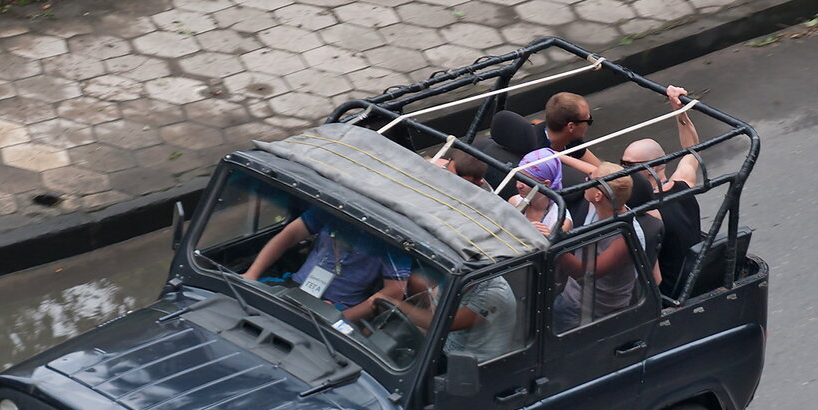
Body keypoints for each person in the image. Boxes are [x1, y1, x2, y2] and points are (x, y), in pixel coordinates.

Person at [241, 206, 410, 322]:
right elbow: (290, 235)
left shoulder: (390, 236)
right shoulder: (333, 209)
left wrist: (341, 318)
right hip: (293, 287)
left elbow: (394, 291)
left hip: (336, 307)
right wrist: (252, 274)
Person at [621, 85, 703, 293]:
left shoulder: (642, 206)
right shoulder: (682, 184)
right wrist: (679, 110)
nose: (622, 170)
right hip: (693, 277)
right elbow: (692, 150)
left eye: (630, 165)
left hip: (669, 290)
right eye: (622, 163)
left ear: (655, 166)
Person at [552, 162, 648, 330]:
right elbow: (596, 173)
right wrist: (556, 155)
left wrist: (549, 244)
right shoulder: (601, 204)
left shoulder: (625, 236)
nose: (585, 180)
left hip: (591, 312)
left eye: (589, 180)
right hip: (572, 297)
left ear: (598, 195)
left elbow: (585, 273)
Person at [376, 271, 517, 363]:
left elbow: (442, 322)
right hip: (444, 349)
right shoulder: (453, 277)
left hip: (475, 365)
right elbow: (433, 317)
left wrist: (394, 303)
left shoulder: (494, 294)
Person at [478, 91, 600, 191]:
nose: (589, 124)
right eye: (588, 120)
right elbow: (599, 174)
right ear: (571, 127)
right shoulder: (538, 154)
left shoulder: (571, 138)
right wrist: (555, 155)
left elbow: (599, 168)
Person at [507, 149, 573, 237]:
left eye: (526, 181)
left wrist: (548, 239)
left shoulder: (560, 221)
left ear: (546, 184)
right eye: (518, 177)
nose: (518, 185)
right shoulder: (514, 201)